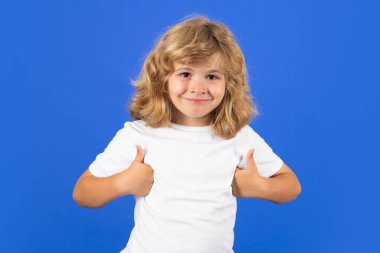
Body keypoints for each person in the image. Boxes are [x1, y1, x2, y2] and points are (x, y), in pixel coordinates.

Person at [73, 15, 301, 253]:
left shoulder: (237, 136)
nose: (198, 88)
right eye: (185, 74)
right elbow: (83, 192)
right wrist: (123, 182)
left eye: (212, 76)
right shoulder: (140, 135)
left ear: (229, 84)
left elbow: (291, 185)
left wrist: (260, 187)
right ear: (163, 79)